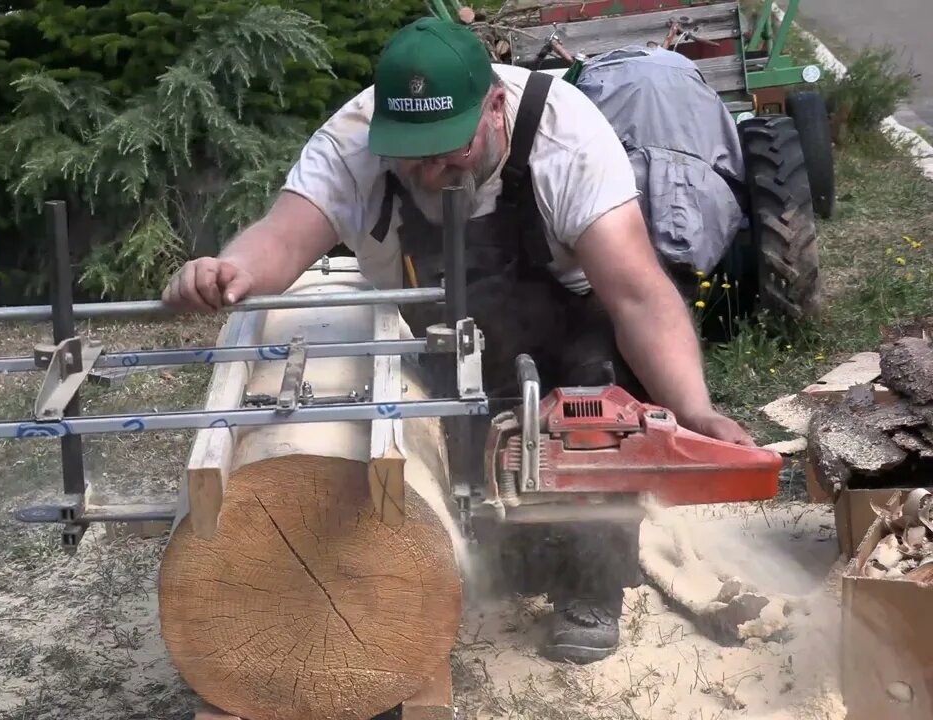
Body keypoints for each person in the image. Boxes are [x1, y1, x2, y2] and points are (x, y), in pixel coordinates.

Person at [161, 16, 754, 665]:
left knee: (593, 406)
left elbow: (638, 294)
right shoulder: (353, 142)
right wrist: (232, 270)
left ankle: (591, 585)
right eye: (414, 151)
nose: (433, 168)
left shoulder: (568, 136)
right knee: (455, 442)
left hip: (572, 316)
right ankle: (487, 551)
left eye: (451, 147)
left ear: (494, 105)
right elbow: (280, 237)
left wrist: (695, 411)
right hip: (439, 321)